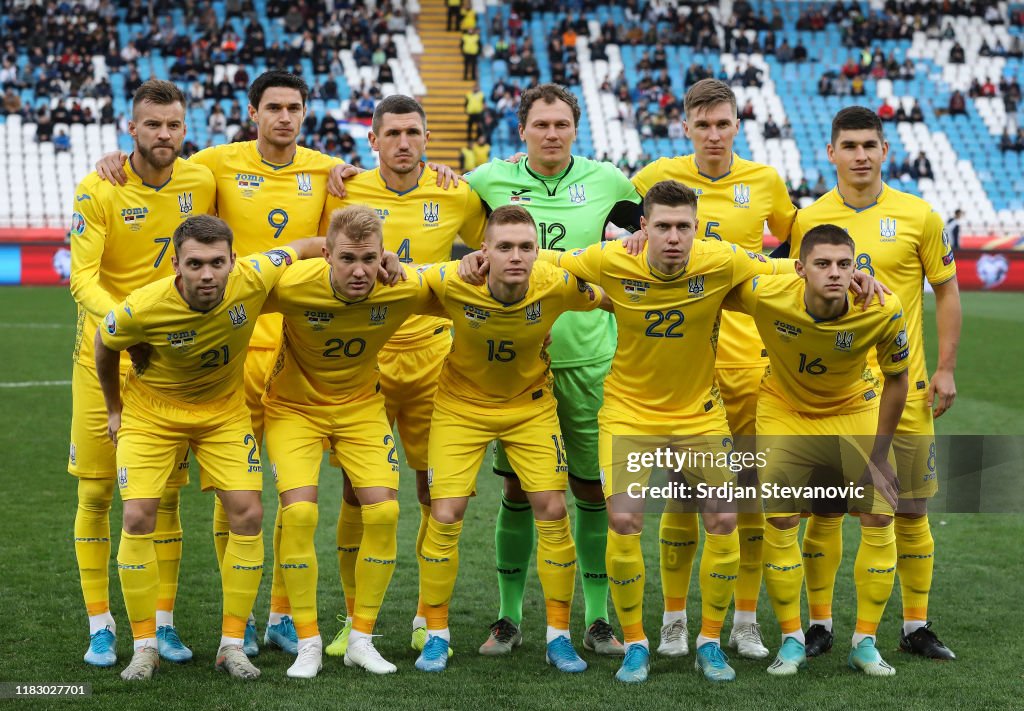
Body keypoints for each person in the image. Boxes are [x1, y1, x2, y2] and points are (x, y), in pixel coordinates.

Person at [94, 70, 358, 658]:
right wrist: (119, 158)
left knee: (294, 493)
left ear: (306, 113)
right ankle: (213, 626)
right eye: (273, 107)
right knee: (229, 498)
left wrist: (373, 177)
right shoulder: (213, 162)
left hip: (294, 351)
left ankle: (282, 617)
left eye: (294, 108)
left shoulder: (327, 169)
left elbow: (350, 230)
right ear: (251, 111)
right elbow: (161, 163)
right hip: (223, 351)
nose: (284, 118)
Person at [523, 180, 807, 683]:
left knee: (723, 519)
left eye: (683, 227)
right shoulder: (613, 259)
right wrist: (481, 264)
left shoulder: (720, 260)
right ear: (644, 228)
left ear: (697, 229)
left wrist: (850, 275)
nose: (673, 237)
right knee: (625, 521)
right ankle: (636, 643)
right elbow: (550, 262)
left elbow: (786, 268)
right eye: (662, 227)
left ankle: (709, 642)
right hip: (629, 413)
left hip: (699, 414)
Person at [95, 215, 322, 680]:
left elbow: (306, 244)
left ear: (233, 261)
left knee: (248, 513)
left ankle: (232, 644)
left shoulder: (253, 275)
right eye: (195, 263)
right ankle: (144, 647)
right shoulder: (144, 306)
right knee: (139, 515)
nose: (207, 274)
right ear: (176, 264)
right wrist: (114, 408)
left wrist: (378, 257)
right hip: (152, 414)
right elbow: (104, 341)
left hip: (222, 413)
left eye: (218, 262)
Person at [465, 83, 643, 658]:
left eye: (561, 124)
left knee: (591, 488)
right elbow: (446, 227)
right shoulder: (487, 181)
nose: (551, 133)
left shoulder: (611, 181)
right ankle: (508, 618)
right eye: (540, 124)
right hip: (516, 367)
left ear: (575, 128)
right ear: (522, 130)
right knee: (520, 489)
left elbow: (650, 236)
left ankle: (596, 620)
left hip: (591, 362)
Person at [786, 106, 960, 662]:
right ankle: (819, 625)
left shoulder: (920, 216)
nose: (861, 154)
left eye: (870, 144)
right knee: (826, 508)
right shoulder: (810, 220)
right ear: (830, 153)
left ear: (886, 151)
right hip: (832, 396)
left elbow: (947, 291)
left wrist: (946, 367)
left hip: (901, 390)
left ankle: (915, 625)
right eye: (850, 145)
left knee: (907, 509)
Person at [630, 79, 796, 663]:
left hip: (749, 366)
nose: (714, 134)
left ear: (737, 125)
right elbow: (617, 229)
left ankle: (744, 622)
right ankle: (675, 621)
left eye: (723, 123)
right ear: (686, 128)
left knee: (745, 499)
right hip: (685, 370)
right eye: (703, 125)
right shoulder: (655, 178)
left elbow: (797, 249)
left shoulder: (766, 183)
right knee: (680, 496)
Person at [315, 95, 486, 659]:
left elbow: (496, 242)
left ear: (427, 137)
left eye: (413, 132)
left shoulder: (454, 191)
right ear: (373, 139)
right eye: (393, 134)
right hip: (366, 359)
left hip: (436, 359)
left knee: (431, 489)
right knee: (358, 490)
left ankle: (425, 617)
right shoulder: (343, 188)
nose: (404, 143)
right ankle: (351, 619)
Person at [414, 205, 607, 674]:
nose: (516, 256)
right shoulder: (452, 280)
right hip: (460, 407)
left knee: (554, 509)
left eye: (525, 247)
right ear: (483, 251)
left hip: (530, 406)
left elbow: (610, 297)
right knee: (445, 512)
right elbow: (399, 278)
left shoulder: (557, 284)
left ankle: (558, 637)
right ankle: (436, 635)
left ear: (538, 252)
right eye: (504, 247)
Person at [261, 205, 445, 678]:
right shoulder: (292, 284)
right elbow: (225, 297)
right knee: (299, 514)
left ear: (384, 256)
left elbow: (475, 292)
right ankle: (307, 643)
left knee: (384, 512)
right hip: (293, 410)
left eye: (369, 258)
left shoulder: (402, 285)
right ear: (326, 255)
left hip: (362, 408)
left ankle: (361, 637)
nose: (359, 270)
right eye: (347, 259)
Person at [69, 79, 215, 669]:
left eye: (174, 124)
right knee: (99, 492)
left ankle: (163, 622)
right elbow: (83, 280)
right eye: (152, 124)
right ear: (131, 128)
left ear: (185, 128)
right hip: (103, 356)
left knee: (166, 501)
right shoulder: (97, 187)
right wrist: (131, 325)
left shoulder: (201, 180)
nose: (164, 134)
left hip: (169, 366)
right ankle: (100, 623)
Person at [724, 224, 909, 677]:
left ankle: (864, 642)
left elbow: (898, 379)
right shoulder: (768, 294)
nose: (835, 273)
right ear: (801, 268)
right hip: (785, 408)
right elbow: (714, 283)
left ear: (856, 268)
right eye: (823, 264)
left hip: (852, 406)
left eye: (844, 264)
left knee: (881, 511)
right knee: (782, 517)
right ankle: (792, 639)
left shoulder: (882, 308)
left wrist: (880, 455)